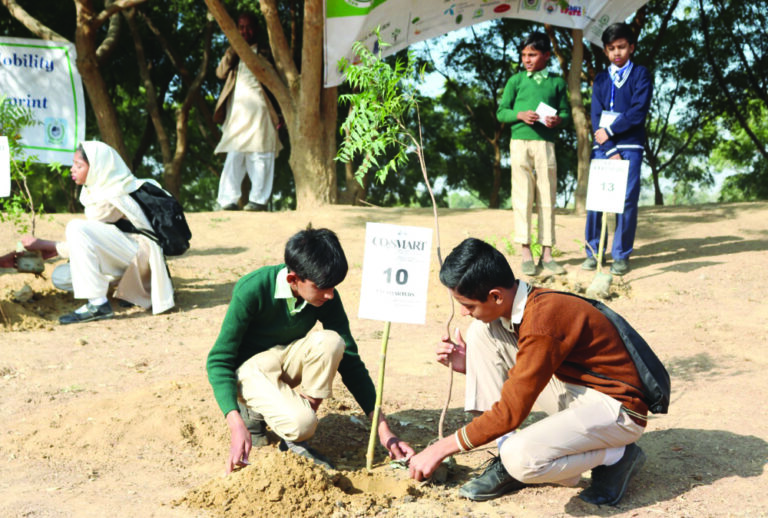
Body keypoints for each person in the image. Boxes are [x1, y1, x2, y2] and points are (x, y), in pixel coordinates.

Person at [408, 238, 648, 507]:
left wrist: (440, 448)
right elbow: (526, 373)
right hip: (578, 390)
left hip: (618, 410)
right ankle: (505, 459)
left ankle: (615, 456)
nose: (464, 312)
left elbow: (511, 411)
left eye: (469, 305)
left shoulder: (542, 320)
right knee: (481, 333)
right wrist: (471, 364)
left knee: (521, 459)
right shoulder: (521, 306)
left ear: (496, 296)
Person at [206, 227, 414, 472]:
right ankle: (256, 413)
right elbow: (219, 360)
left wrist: (383, 429)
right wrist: (234, 421)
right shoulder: (253, 289)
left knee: (332, 341)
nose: (329, 295)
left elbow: (349, 358)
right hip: (250, 370)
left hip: (284, 359)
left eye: (333, 286)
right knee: (302, 422)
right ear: (293, 279)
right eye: (322, 287)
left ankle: (294, 440)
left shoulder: (324, 295)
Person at [20, 141, 174, 324]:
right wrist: (51, 248)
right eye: (73, 164)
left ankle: (98, 304)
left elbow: (85, 238)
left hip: (141, 255)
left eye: (79, 165)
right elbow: (88, 244)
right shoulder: (98, 191)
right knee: (62, 276)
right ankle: (124, 288)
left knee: (76, 227)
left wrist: (48, 246)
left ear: (97, 167)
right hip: (124, 253)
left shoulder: (115, 193)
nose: (72, 170)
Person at [497, 32, 571, 277]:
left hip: (545, 144)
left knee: (547, 195)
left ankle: (547, 253)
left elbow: (566, 113)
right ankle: (526, 252)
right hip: (519, 143)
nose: (527, 59)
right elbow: (501, 112)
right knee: (522, 196)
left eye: (532, 54)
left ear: (546, 55)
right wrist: (519, 115)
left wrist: (557, 119)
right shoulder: (516, 80)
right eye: (524, 55)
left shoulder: (556, 82)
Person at [582, 23, 652, 276]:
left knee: (625, 200)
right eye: (611, 48)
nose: (617, 52)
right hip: (603, 146)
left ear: (631, 47)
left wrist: (612, 131)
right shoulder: (600, 79)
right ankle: (593, 252)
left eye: (622, 47)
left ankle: (621, 254)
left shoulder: (641, 74)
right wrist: (609, 146)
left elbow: (637, 111)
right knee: (597, 200)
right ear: (605, 51)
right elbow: (596, 113)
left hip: (631, 145)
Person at [213, 11, 281, 212]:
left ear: (256, 29)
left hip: (262, 110)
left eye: (248, 27)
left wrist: (281, 113)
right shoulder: (233, 52)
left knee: (261, 154)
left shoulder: (267, 51)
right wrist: (234, 49)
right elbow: (220, 73)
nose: (245, 31)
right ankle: (227, 200)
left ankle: (258, 200)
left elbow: (278, 80)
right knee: (234, 154)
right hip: (238, 112)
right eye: (241, 27)